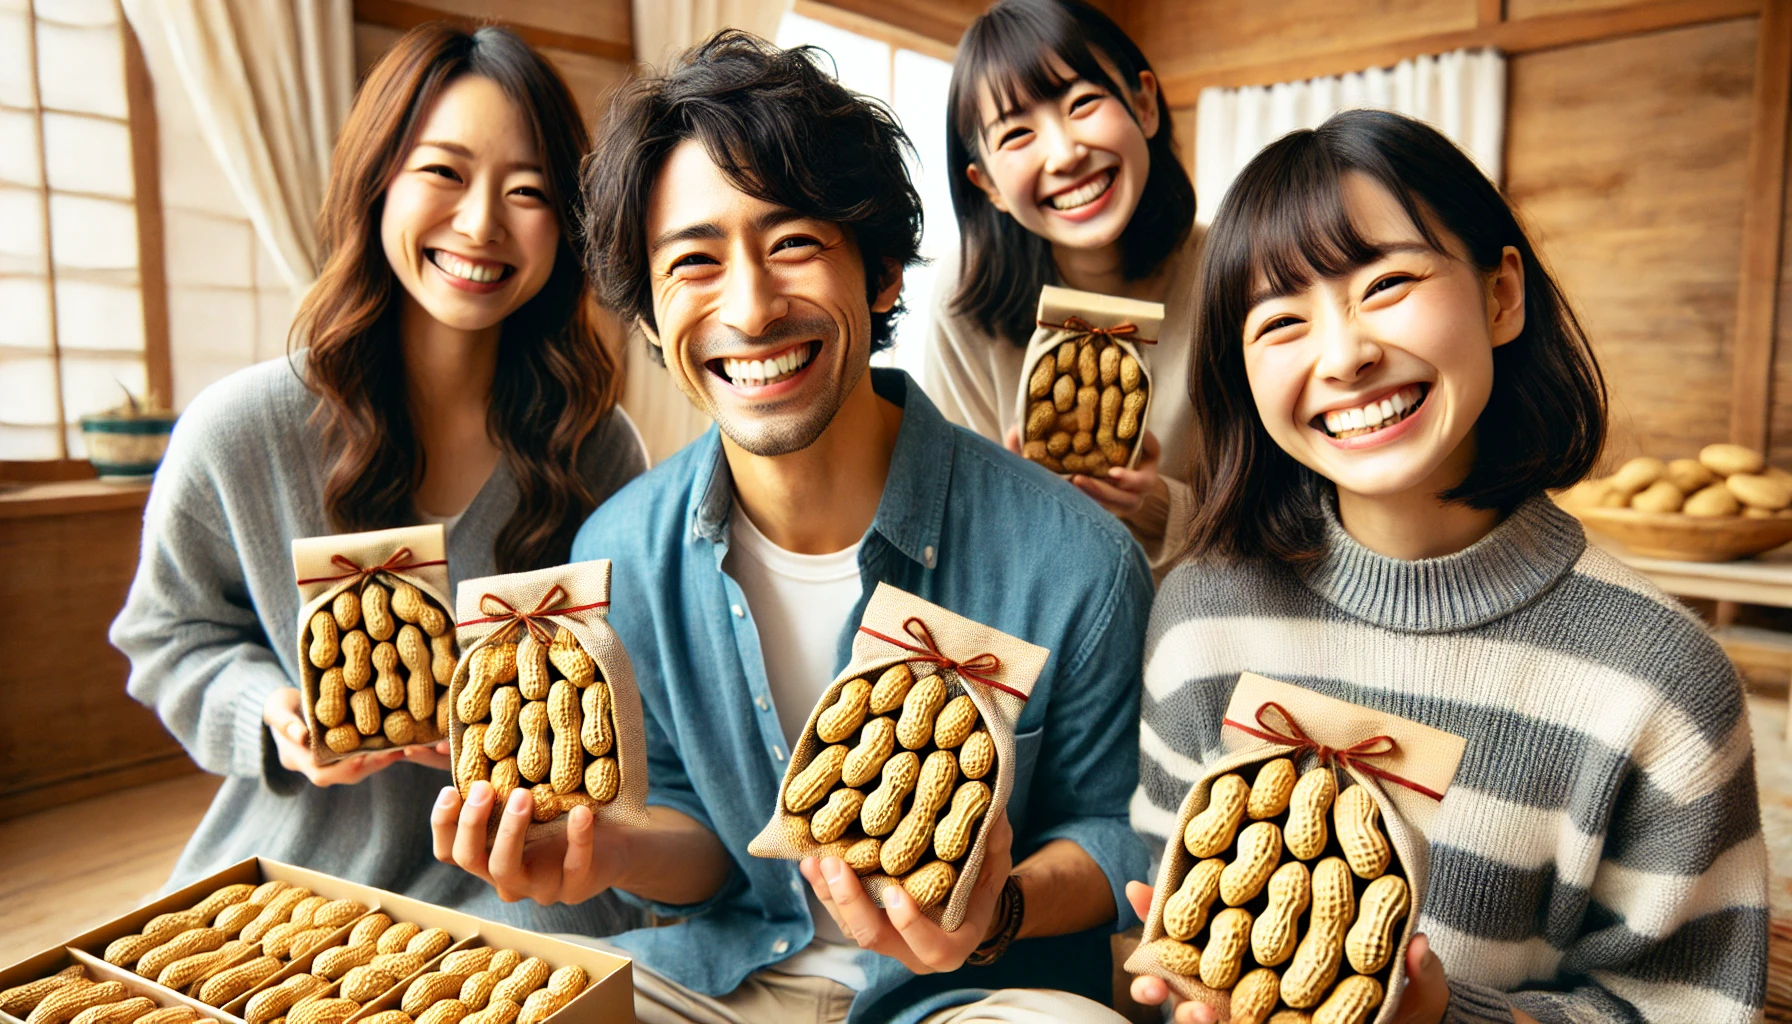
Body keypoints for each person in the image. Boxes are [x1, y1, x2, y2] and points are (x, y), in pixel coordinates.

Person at [431, 30, 1153, 1024]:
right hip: (716, 973)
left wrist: (997, 907)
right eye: (692, 261)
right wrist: (595, 851)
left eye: (794, 242)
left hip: (965, 994)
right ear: (647, 318)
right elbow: (700, 845)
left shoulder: (1076, 560)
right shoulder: (618, 551)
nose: (753, 306)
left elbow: (1120, 829)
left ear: (884, 272)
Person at [1128, 109, 1768, 1023]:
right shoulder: (1200, 615)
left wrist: (1444, 1018)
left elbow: (1685, 1011)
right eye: (1280, 322)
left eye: (1387, 283)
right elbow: (1161, 922)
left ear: (1501, 294)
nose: (1345, 355)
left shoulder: (1661, 683)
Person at [111, 24, 646, 934]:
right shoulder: (240, 431)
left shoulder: (594, 447)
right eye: (444, 172)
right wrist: (270, 713)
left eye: (529, 191)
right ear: (377, 180)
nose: (482, 223)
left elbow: (628, 686)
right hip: (294, 873)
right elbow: (168, 637)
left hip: (515, 883)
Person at [925, 0, 1201, 573]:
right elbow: (959, 520)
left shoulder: (1231, 271)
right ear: (988, 186)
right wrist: (1012, 491)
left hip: (1212, 609)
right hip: (1044, 602)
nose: (1065, 153)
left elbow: (1290, 511)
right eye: (1017, 134)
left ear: (1144, 105)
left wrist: (1156, 505)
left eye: (1082, 103)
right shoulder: (963, 297)